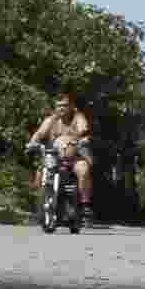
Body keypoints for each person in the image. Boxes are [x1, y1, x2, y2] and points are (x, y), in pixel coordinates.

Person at [27, 90, 94, 223]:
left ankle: (85, 205)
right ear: (55, 107)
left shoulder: (78, 117)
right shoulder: (51, 120)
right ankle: (40, 206)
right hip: (54, 156)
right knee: (40, 173)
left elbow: (83, 130)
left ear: (71, 107)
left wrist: (83, 138)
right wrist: (31, 143)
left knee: (84, 170)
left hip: (75, 156)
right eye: (59, 106)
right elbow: (39, 134)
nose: (61, 108)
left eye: (64, 105)